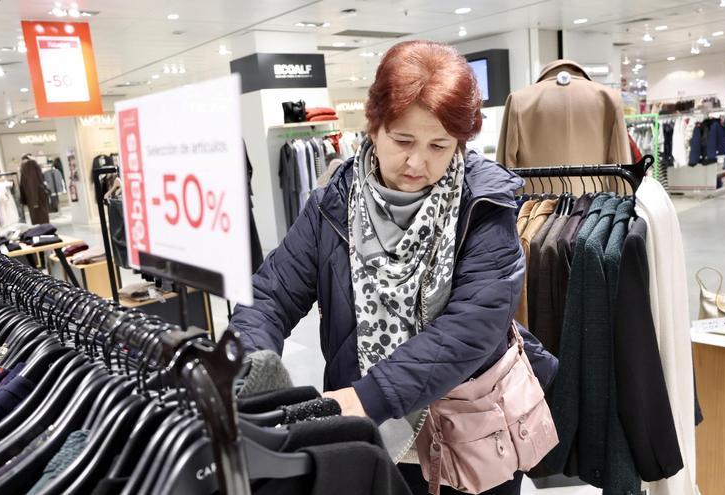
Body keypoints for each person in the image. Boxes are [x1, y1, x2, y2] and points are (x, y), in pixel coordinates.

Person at [230, 40, 557, 495]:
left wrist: (370, 397)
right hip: (371, 439)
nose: (417, 162)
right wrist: (250, 368)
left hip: (468, 432)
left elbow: (472, 326)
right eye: (403, 140)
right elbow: (271, 295)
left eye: (439, 146)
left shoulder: (484, 205)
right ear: (374, 127)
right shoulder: (333, 205)